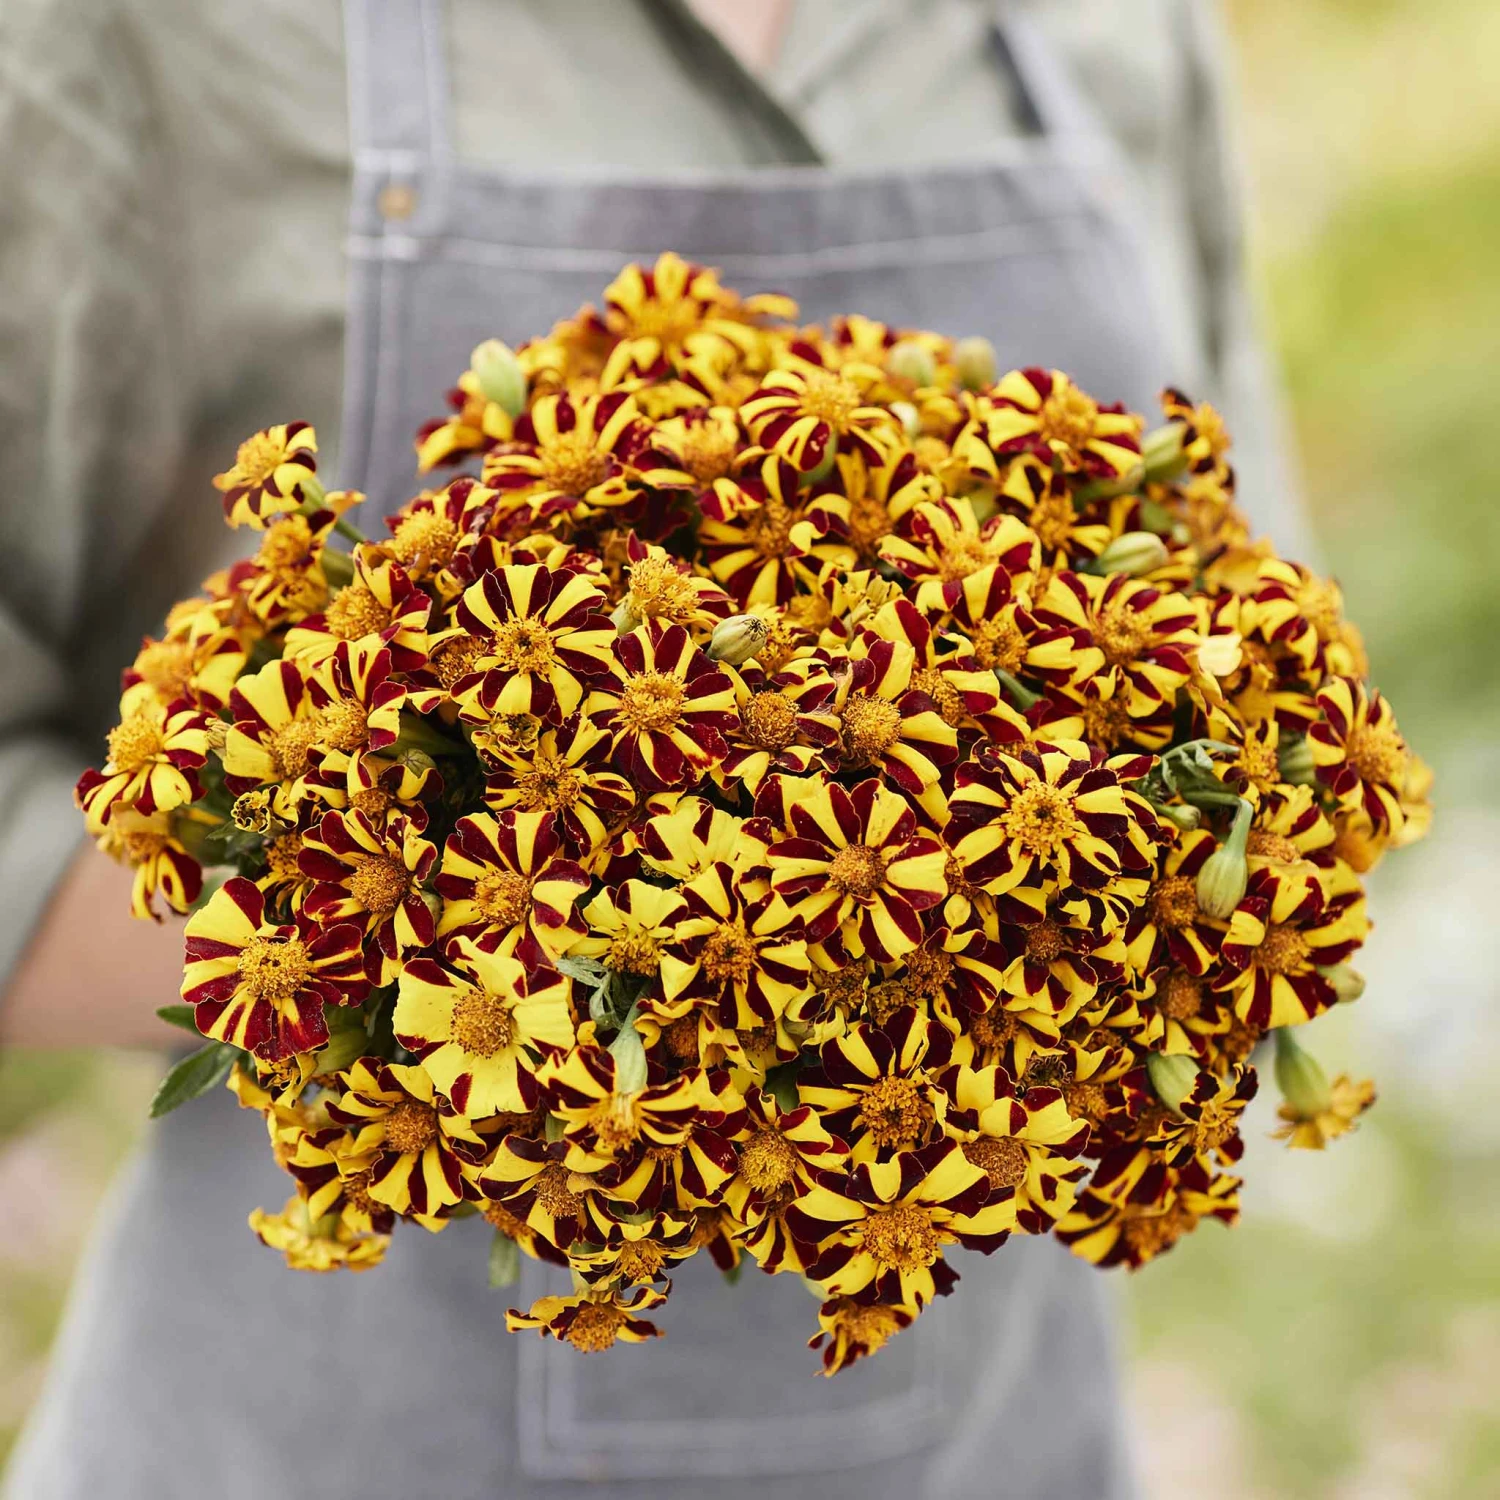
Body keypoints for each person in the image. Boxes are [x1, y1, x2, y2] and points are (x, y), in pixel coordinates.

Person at [0, 2, 1304, 1494]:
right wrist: (447, 964)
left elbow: (1254, 661)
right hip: (346, 1434)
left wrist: (1065, 922)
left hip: (1002, 1436)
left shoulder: (1125, 27)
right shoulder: (143, 30)